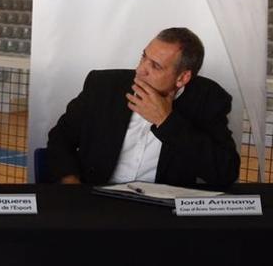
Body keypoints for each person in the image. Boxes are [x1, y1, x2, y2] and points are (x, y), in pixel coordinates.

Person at [45, 27, 239, 187]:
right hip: (97, 197)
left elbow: (225, 172)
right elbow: (59, 139)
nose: (140, 70)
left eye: (155, 66)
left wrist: (166, 121)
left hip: (162, 213)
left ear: (182, 78)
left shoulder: (208, 99)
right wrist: (71, 183)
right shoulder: (103, 86)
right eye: (143, 57)